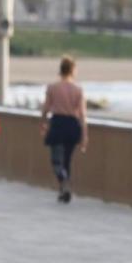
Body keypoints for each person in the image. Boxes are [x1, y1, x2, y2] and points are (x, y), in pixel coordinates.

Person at [41, 56, 88, 204]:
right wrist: (84, 136)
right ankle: (64, 187)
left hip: (58, 123)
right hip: (72, 125)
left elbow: (46, 108)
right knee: (67, 160)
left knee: (56, 160)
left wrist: (43, 123)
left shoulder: (53, 88)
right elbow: (82, 115)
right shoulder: (78, 90)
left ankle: (64, 183)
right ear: (72, 70)